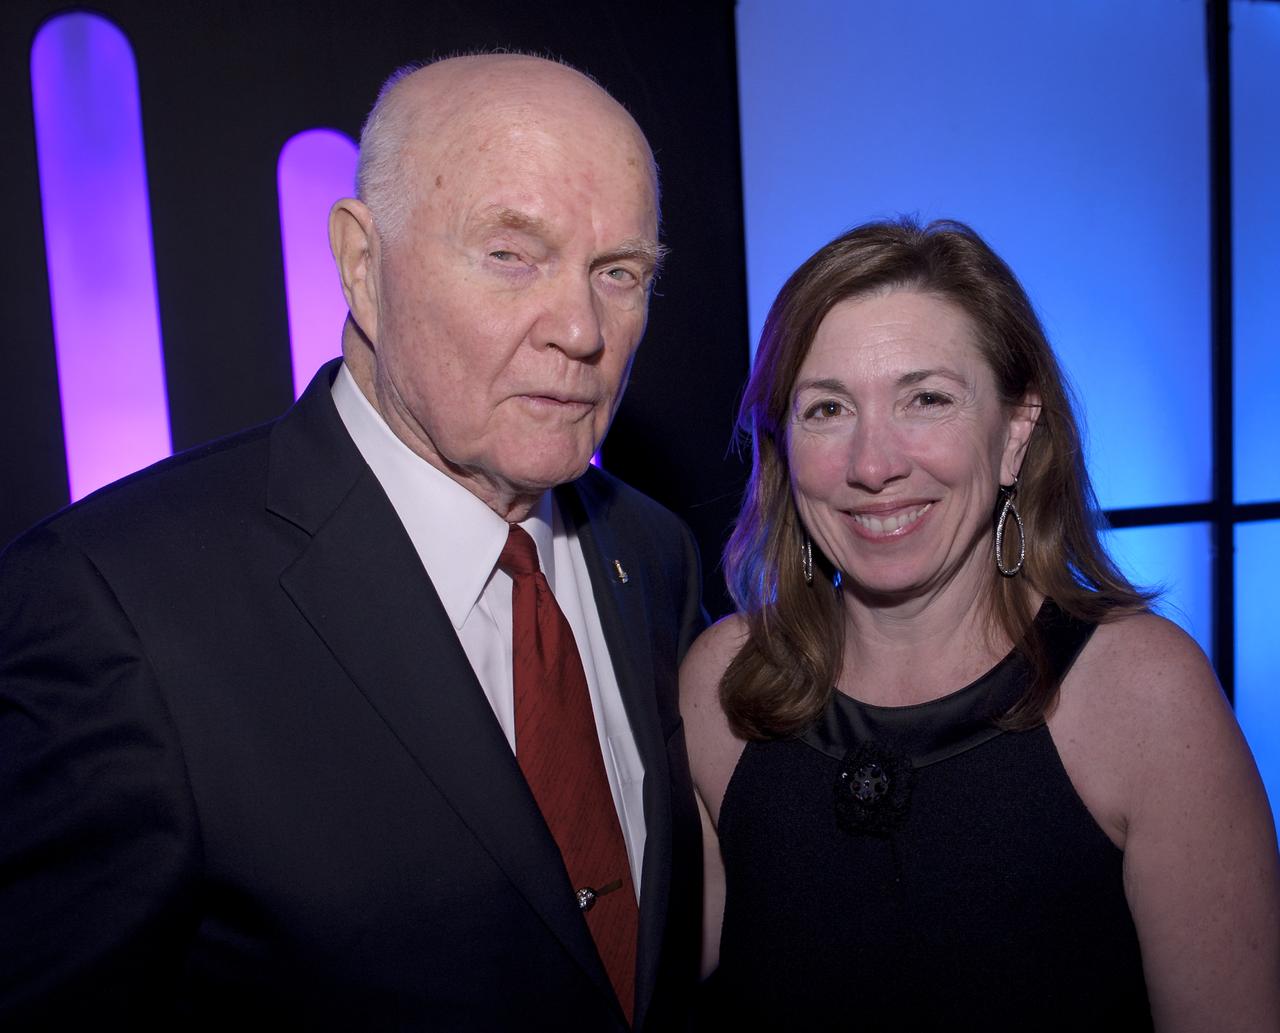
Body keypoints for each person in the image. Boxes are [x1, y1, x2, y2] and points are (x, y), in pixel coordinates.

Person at [0, 55, 705, 1031]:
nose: (581, 329)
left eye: (618, 272)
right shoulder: (116, 608)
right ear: (362, 266)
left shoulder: (654, 554)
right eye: (512, 254)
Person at [681, 218, 1280, 1030]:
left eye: (926, 398)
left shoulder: (1143, 694)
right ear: (785, 447)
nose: (873, 464)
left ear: (1015, 433)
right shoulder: (724, 686)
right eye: (827, 408)